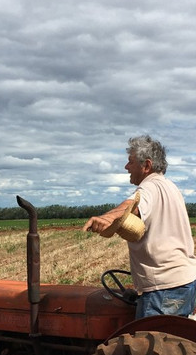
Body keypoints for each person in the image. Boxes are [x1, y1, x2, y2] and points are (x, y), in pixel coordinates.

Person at [83, 135, 196, 318]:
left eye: (130, 162)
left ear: (147, 165)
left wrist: (106, 218)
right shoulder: (171, 187)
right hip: (186, 282)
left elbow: (131, 207)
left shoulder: (149, 188)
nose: (126, 167)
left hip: (163, 289)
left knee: (148, 344)